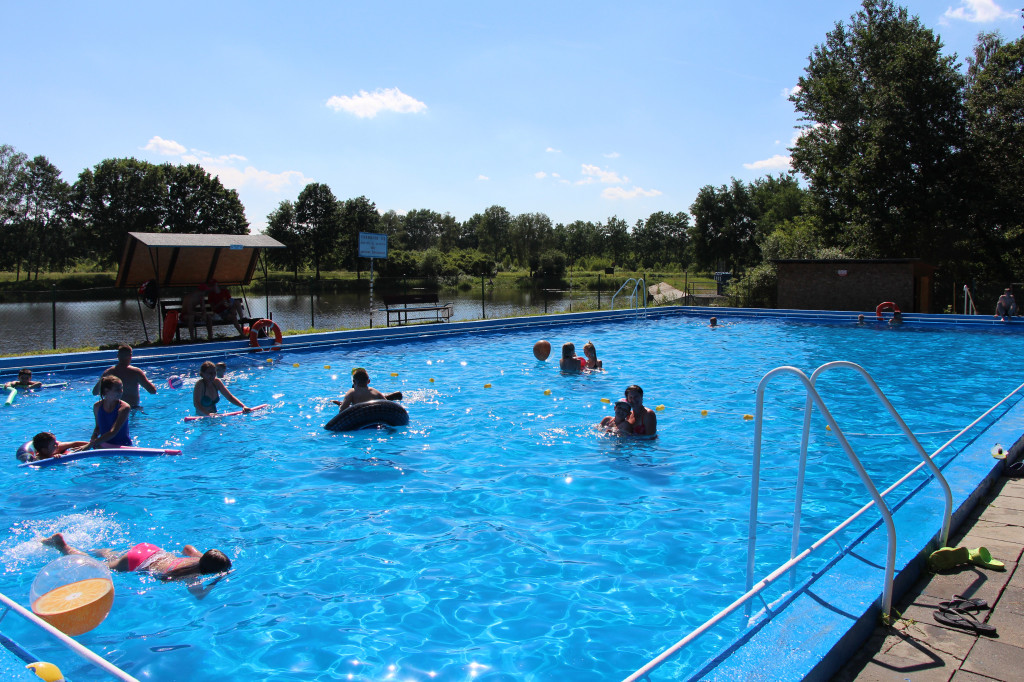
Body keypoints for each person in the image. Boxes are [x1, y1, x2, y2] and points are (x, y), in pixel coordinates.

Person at [41, 533, 231, 580]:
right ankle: (63, 546)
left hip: (150, 550)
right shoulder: (191, 577)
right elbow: (199, 596)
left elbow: (187, 547)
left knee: (111, 557)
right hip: (139, 562)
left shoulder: (197, 558)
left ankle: (93, 548)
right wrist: (217, 580)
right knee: (96, 566)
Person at [92, 344, 157, 408]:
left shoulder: (108, 372)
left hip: (113, 408)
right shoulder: (136, 372)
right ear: (130, 355)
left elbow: (95, 392)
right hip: (132, 408)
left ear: (118, 356)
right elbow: (152, 391)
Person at [89, 375, 132, 448]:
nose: (121, 391)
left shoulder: (124, 408)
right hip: (104, 444)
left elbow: (113, 432)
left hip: (123, 447)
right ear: (106, 391)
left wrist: (91, 444)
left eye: (121, 388)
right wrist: (93, 437)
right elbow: (98, 427)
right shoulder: (97, 406)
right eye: (117, 389)